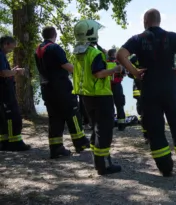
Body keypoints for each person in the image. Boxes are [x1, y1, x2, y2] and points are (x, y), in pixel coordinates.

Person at [117, 8, 176, 177]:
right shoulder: (171, 36)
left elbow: (120, 55)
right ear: (159, 21)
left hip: (149, 87)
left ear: (145, 21)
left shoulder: (138, 39)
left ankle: (165, 166)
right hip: (170, 86)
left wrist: (135, 72)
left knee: (154, 127)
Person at [72, 19, 122, 175]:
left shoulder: (79, 52)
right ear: (92, 33)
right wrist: (116, 69)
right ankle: (103, 166)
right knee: (104, 130)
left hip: (87, 96)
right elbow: (98, 73)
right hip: (100, 96)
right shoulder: (95, 53)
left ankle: (98, 162)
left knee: (96, 129)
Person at [34, 26, 90, 158]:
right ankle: (80, 142)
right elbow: (66, 65)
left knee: (55, 118)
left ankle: (56, 147)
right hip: (61, 87)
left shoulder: (37, 50)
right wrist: (81, 71)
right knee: (73, 113)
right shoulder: (54, 48)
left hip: (46, 88)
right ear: (55, 35)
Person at [0, 36, 31, 151]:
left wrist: (12, 71)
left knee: (3, 117)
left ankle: (4, 142)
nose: (11, 51)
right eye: (11, 48)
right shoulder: (0, 55)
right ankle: (15, 142)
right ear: (6, 44)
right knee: (13, 116)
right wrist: (15, 72)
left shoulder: (2, 55)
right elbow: (3, 73)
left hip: (3, 90)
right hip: (4, 91)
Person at [127, 54, 148, 143]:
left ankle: (154, 133)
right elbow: (129, 72)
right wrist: (137, 74)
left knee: (155, 111)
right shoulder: (134, 59)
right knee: (143, 113)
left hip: (151, 87)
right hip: (139, 89)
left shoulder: (151, 54)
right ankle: (146, 135)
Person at [107, 48, 127, 131]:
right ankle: (121, 125)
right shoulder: (118, 62)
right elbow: (124, 73)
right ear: (113, 54)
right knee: (119, 105)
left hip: (108, 86)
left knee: (110, 106)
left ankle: (110, 125)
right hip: (116, 86)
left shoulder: (105, 62)